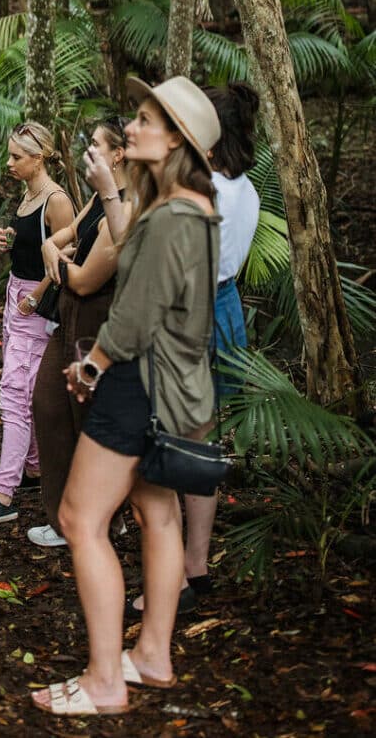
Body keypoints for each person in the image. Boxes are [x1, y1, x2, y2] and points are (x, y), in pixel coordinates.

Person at [30, 76, 221, 717]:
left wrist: (92, 366)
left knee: (81, 520)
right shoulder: (192, 208)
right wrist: (113, 194)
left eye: (144, 120)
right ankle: (153, 656)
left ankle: (105, 679)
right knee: (156, 513)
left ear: (175, 141)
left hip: (136, 383)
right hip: (175, 387)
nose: (131, 128)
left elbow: (135, 314)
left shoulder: (171, 217)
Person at [127, 81, 261, 615]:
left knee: (165, 447)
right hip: (226, 309)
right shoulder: (244, 188)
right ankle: (195, 565)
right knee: (200, 446)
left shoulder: (201, 193)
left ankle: (171, 579)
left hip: (190, 313)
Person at [0, 122, 74, 525]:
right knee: (20, 390)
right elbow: (35, 246)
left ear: (39, 157)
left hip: (35, 305)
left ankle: (2, 494)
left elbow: (70, 253)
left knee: (14, 395)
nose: (9, 163)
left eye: (16, 157)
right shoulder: (30, 194)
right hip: (16, 297)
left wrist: (37, 294)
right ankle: (32, 470)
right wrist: (10, 241)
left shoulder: (56, 200)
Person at [27, 119, 130, 548]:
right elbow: (60, 240)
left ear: (119, 154)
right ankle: (63, 516)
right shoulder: (94, 199)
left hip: (96, 321)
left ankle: (106, 517)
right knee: (47, 404)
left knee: (88, 419)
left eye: (96, 144)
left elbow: (87, 279)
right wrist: (53, 249)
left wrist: (58, 261)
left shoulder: (125, 207)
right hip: (66, 315)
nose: (88, 150)